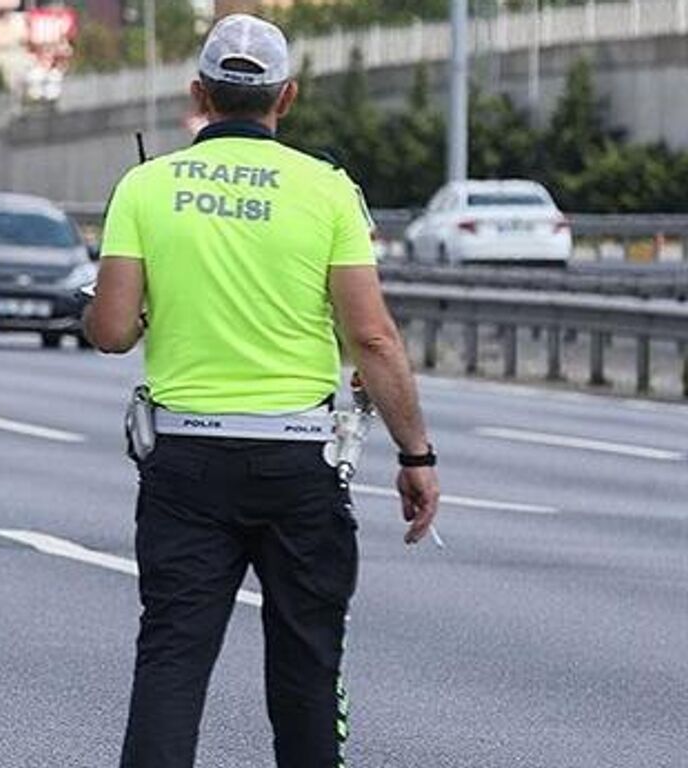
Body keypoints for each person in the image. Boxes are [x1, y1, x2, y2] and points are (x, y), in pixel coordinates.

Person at [83, 14, 442, 768]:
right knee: (307, 669)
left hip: (184, 462)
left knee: (173, 661)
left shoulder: (146, 186)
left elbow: (112, 330)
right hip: (297, 466)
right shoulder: (328, 191)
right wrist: (417, 454)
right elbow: (372, 337)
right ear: (287, 98)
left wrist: (133, 304)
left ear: (199, 94)